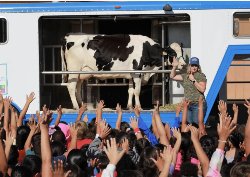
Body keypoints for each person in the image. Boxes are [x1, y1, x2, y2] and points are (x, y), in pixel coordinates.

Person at [170, 56, 207, 124]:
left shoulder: (201, 76)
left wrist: (193, 80)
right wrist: (174, 67)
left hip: (197, 104)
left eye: (196, 65)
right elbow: (172, 76)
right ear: (189, 66)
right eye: (192, 65)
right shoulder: (185, 76)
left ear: (198, 67)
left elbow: (202, 89)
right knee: (188, 126)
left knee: (196, 125)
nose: (194, 67)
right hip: (188, 104)